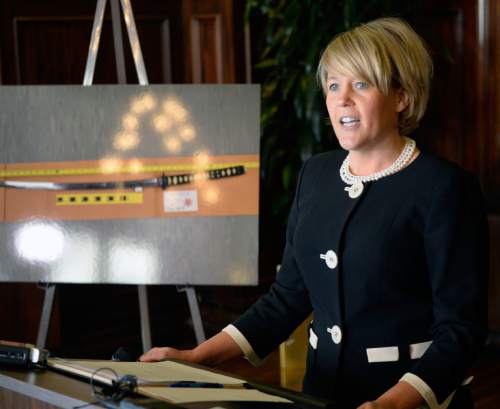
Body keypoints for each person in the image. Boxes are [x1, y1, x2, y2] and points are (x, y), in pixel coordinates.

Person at [140, 17, 488, 409]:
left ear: (402, 96)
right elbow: (287, 297)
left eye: (361, 84)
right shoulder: (317, 173)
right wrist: (195, 357)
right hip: (320, 394)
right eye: (334, 85)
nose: (342, 99)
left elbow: (460, 332)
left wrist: (390, 404)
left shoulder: (445, 188)